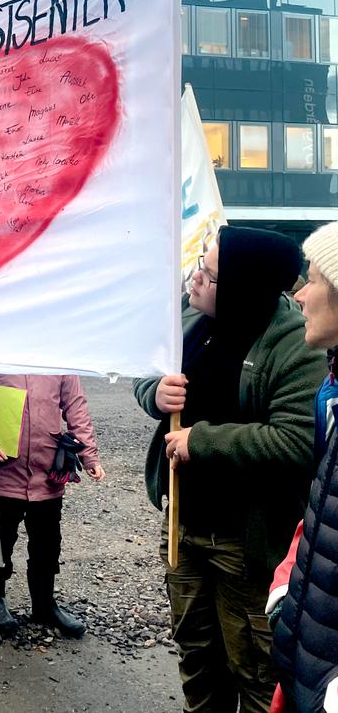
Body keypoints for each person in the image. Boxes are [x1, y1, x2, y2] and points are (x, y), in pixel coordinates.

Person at [133, 226, 324, 713]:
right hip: (184, 525)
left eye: (210, 274)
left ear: (242, 287)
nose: (195, 279)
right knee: (197, 659)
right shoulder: (191, 318)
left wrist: (203, 441)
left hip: (247, 542)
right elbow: (146, 369)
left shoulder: (296, 343)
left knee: (256, 669)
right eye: (200, 264)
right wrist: (154, 393)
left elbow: (296, 440)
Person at [0, 373, 103, 646]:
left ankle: (44, 605)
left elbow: (76, 405)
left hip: (48, 473)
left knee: (48, 545)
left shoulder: (57, 358)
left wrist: (89, 456)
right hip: (3, 473)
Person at [267, 222, 338, 713]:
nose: (299, 295)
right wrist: (286, 592)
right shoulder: (332, 391)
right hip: (307, 649)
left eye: (312, 279)